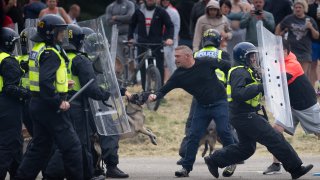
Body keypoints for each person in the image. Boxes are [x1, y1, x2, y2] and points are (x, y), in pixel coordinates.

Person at [203, 42, 314, 180]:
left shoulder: (247, 70)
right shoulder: (238, 71)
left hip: (242, 115)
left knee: (246, 148)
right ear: (243, 57)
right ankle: (296, 169)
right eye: (251, 56)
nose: (254, 58)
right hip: (244, 115)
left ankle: (214, 160)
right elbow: (239, 93)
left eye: (254, 55)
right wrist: (261, 86)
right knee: (275, 138)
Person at [148, 45, 235, 178]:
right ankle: (186, 168)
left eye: (177, 56)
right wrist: (155, 96)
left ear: (188, 56)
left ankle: (231, 161)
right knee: (193, 136)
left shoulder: (205, 62)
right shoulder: (179, 75)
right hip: (202, 106)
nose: (175, 59)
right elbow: (163, 90)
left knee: (224, 131)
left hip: (219, 102)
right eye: (174, 56)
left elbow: (227, 65)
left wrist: (233, 80)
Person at [14, 14, 83, 180]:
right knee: (72, 147)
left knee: (40, 147)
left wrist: (63, 84)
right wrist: (59, 102)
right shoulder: (51, 53)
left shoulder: (37, 49)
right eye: (60, 32)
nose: (62, 35)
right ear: (51, 33)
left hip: (36, 104)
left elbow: (41, 80)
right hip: (51, 107)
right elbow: (45, 82)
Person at [42, 24, 111, 180]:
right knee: (76, 142)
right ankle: (51, 175)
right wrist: (105, 94)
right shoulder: (81, 60)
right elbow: (91, 88)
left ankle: (88, 174)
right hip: (77, 106)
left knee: (75, 143)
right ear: (80, 41)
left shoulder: (60, 56)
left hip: (59, 102)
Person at [263, 39, 320, 175]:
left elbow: (278, 79)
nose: (274, 53)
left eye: (278, 51)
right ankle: (276, 164)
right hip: (290, 105)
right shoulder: (278, 63)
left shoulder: (292, 64)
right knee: (276, 130)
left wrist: (263, 72)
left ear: (285, 51)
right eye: (273, 51)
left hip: (306, 105)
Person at [0, 27, 30, 180]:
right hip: (8, 106)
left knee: (16, 144)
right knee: (8, 144)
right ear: (7, 43)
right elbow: (10, 87)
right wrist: (29, 94)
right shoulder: (7, 60)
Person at [128, 0, 174, 90]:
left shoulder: (161, 12)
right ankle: (145, 91)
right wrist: (130, 38)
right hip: (142, 44)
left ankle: (160, 93)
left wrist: (169, 38)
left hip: (157, 44)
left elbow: (170, 25)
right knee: (143, 69)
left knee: (159, 67)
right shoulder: (138, 11)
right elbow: (131, 24)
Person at [276, 0, 319, 90]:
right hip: (292, 51)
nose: (297, 9)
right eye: (296, 7)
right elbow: (279, 27)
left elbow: (316, 36)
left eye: (300, 7)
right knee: (291, 73)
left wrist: (310, 27)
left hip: (305, 50)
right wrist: (278, 37)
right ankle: (293, 91)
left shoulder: (309, 20)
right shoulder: (289, 18)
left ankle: (307, 91)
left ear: (304, 8)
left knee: (303, 74)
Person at [106, 0, 135, 66]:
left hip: (128, 36)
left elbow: (130, 17)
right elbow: (108, 21)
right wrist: (124, 20)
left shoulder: (130, 4)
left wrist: (116, 17)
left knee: (130, 60)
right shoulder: (110, 7)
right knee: (117, 60)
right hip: (115, 37)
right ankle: (119, 76)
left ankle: (132, 76)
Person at [160, 0, 180, 76]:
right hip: (161, 41)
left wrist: (173, 39)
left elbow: (176, 27)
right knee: (166, 64)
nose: (165, 1)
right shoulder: (159, 10)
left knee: (172, 62)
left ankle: (175, 80)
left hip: (171, 42)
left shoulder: (173, 12)